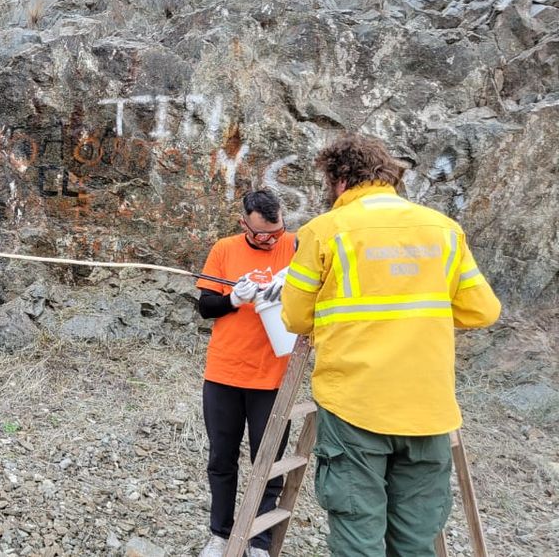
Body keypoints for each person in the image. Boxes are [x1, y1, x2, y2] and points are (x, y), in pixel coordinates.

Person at [271, 133, 501, 555]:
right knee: (415, 538)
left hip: (354, 404)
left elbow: (296, 318)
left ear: (340, 180)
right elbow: (482, 312)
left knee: (358, 534)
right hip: (428, 408)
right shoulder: (444, 230)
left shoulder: (324, 231)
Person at [194, 189, 296, 557]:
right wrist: (233, 300)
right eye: (261, 236)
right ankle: (220, 534)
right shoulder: (224, 249)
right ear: (244, 225)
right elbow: (206, 306)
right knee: (221, 458)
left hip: (272, 377)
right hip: (224, 373)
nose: (270, 241)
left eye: (276, 232)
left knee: (267, 461)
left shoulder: (295, 246)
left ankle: (259, 540)